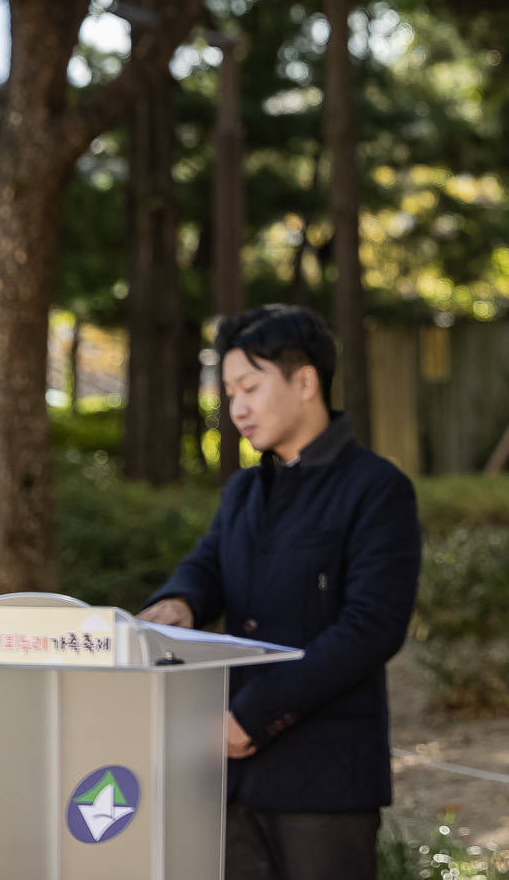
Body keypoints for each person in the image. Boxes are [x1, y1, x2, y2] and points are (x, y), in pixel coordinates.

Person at [139, 305, 421, 880]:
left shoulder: (376, 489)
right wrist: (180, 602)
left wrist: (254, 716)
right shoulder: (244, 490)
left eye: (250, 387)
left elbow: (370, 629)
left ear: (305, 381)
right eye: (229, 391)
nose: (236, 406)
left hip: (325, 778)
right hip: (232, 774)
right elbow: (208, 565)